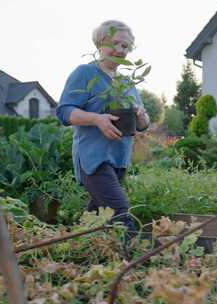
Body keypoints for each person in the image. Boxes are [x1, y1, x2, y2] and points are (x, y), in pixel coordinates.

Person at [56, 20, 150, 231]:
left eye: (125, 46)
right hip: (93, 158)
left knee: (96, 220)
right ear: (100, 44)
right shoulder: (85, 73)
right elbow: (64, 112)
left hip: (119, 159)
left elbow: (143, 123)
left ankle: (77, 251)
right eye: (114, 43)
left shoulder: (126, 83)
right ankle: (135, 259)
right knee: (120, 212)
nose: (119, 50)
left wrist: (142, 117)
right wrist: (97, 119)